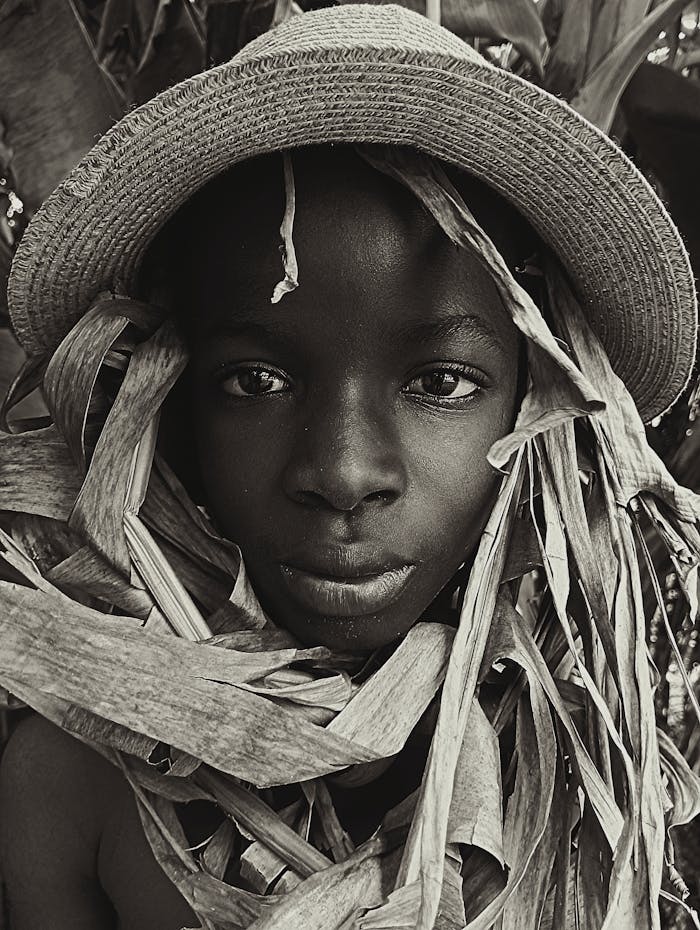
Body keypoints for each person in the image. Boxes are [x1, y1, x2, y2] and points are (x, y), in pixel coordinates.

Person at [0, 6, 698, 930]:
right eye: (255, 379)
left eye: (441, 380)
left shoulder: (594, 768)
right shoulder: (72, 780)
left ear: (540, 408)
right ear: (160, 402)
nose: (342, 470)